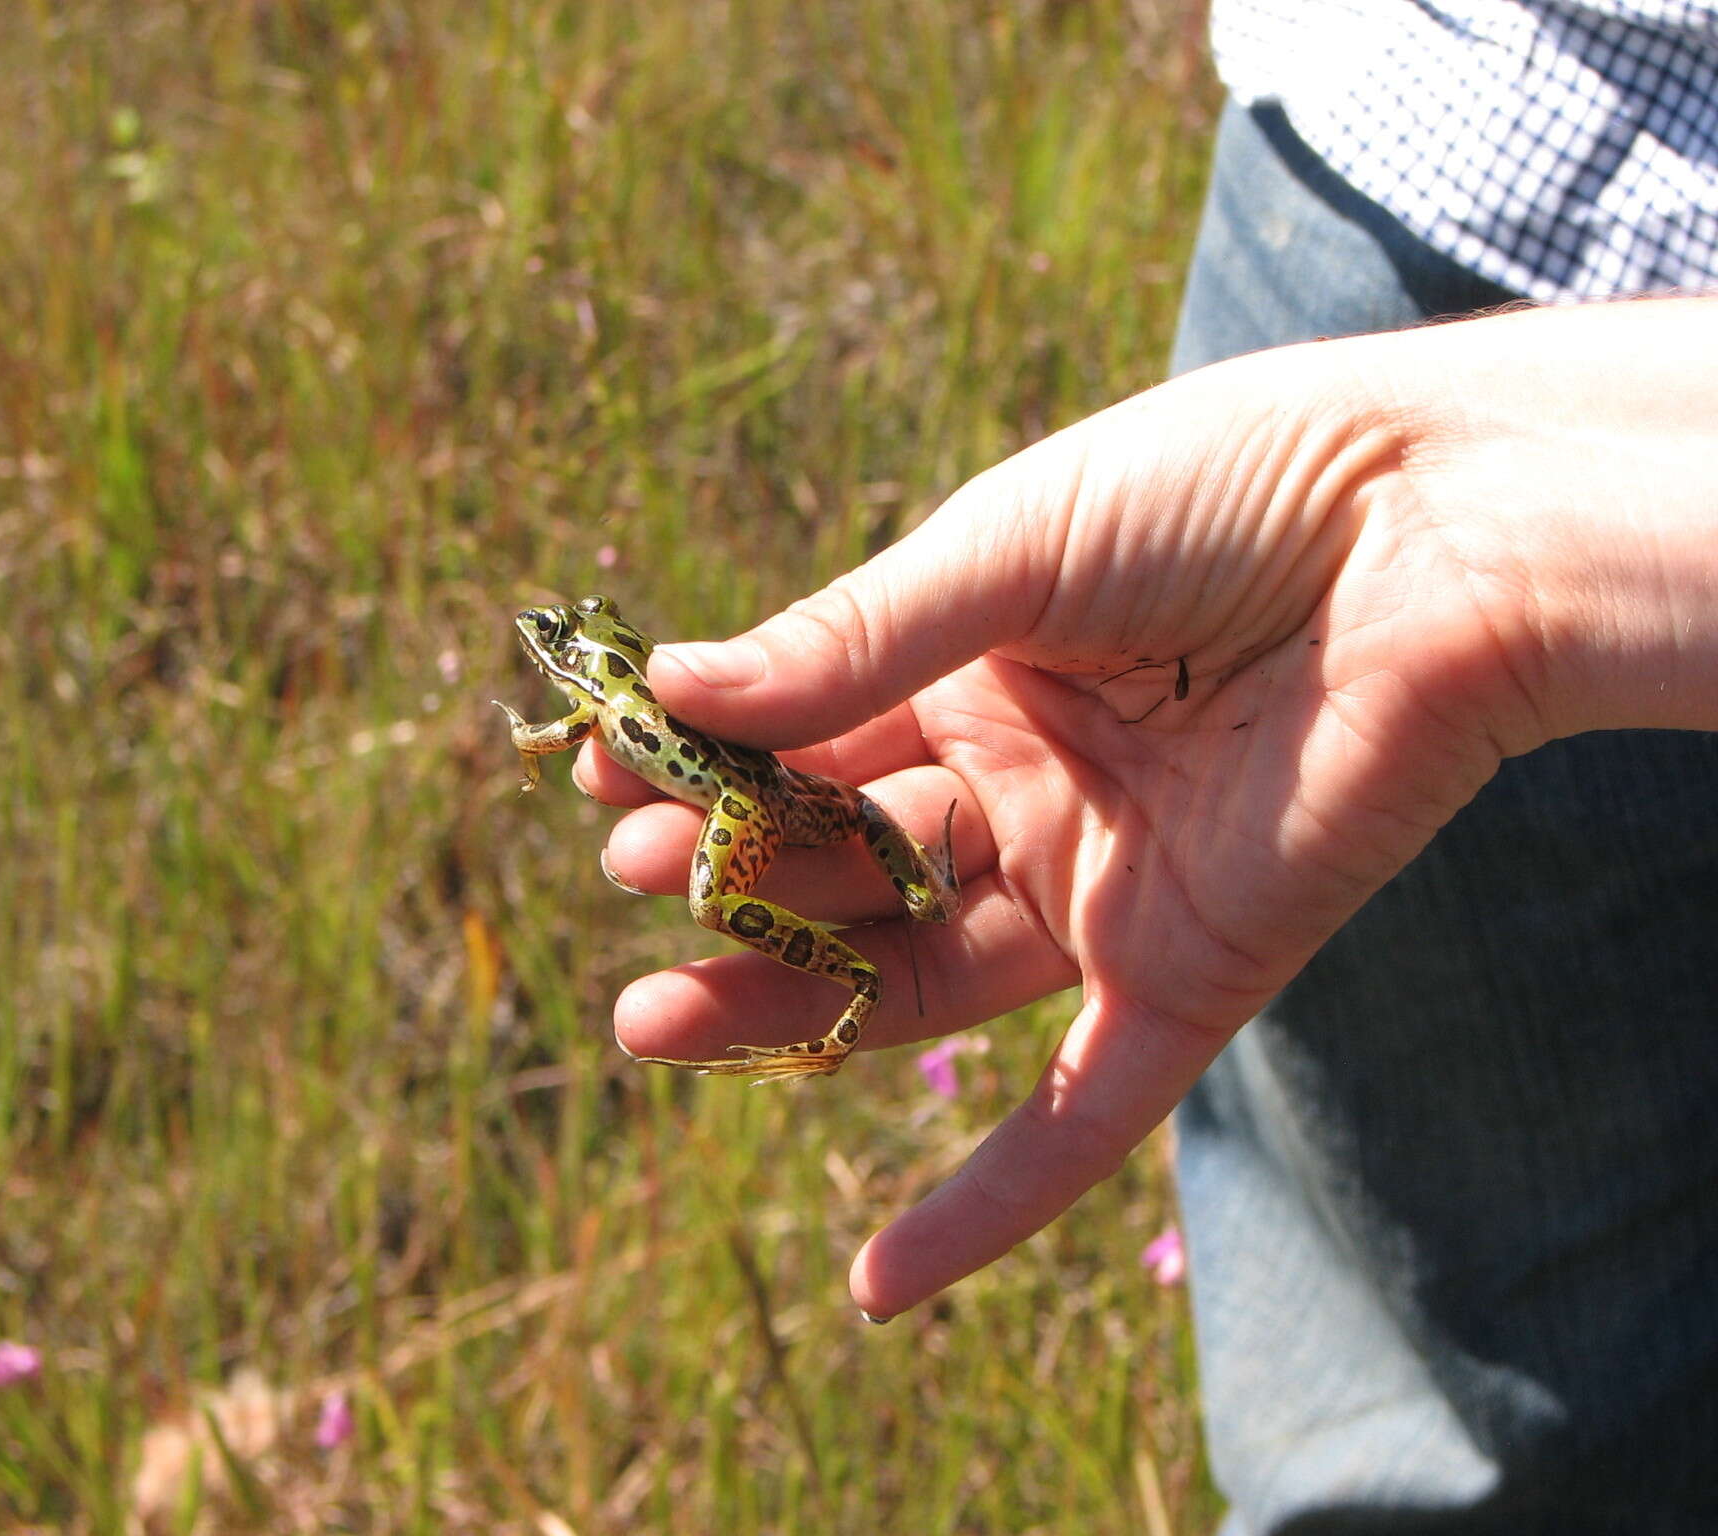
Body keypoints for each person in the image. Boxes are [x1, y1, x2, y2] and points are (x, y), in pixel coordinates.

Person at [590, 6, 1718, 1521]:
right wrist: (1431, 512)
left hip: (1473, 224)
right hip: (1432, 167)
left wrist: (1450, 513)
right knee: (1473, 1404)